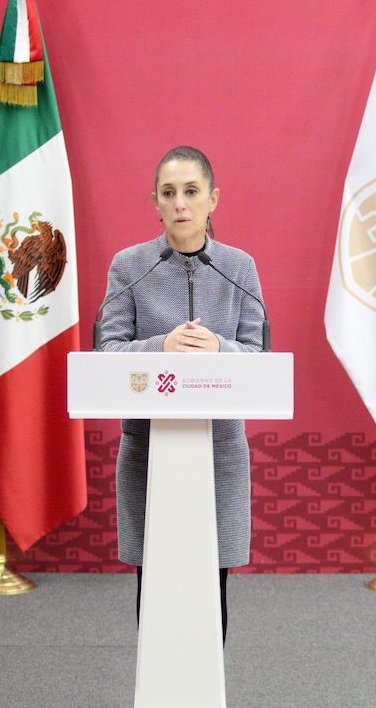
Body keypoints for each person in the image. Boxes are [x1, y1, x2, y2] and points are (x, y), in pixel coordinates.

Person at [98, 145, 266, 643]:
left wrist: (217, 347)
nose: (181, 204)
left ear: (213, 199)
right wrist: (162, 346)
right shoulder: (130, 267)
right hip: (149, 451)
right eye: (169, 194)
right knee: (155, 584)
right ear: (155, 202)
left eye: (192, 192)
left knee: (210, 586)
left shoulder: (239, 268)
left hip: (218, 452)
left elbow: (256, 360)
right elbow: (108, 354)